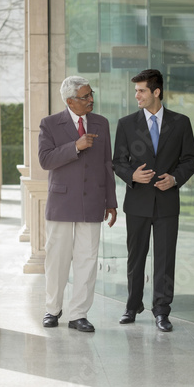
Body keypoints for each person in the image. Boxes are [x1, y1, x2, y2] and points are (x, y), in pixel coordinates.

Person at [113, 69, 194, 332]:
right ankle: (132, 305)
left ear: (156, 92)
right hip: (137, 201)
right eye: (136, 90)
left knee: (164, 259)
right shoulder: (126, 124)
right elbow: (118, 162)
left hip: (167, 202)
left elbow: (190, 159)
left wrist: (174, 179)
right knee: (135, 257)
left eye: (141, 90)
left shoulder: (181, 122)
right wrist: (132, 175)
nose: (136, 95)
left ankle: (162, 311)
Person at [38, 75, 117, 332]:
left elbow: (108, 164)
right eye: (85, 96)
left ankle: (78, 314)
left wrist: (111, 202)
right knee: (57, 259)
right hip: (61, 202)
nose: (91, 99)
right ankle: (52, 309)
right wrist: (75, 146)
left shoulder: (102, 123)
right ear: (71, 101)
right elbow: (45, 160)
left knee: (87, 259)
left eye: (91, 94)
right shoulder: (50, 124)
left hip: (93, 201)